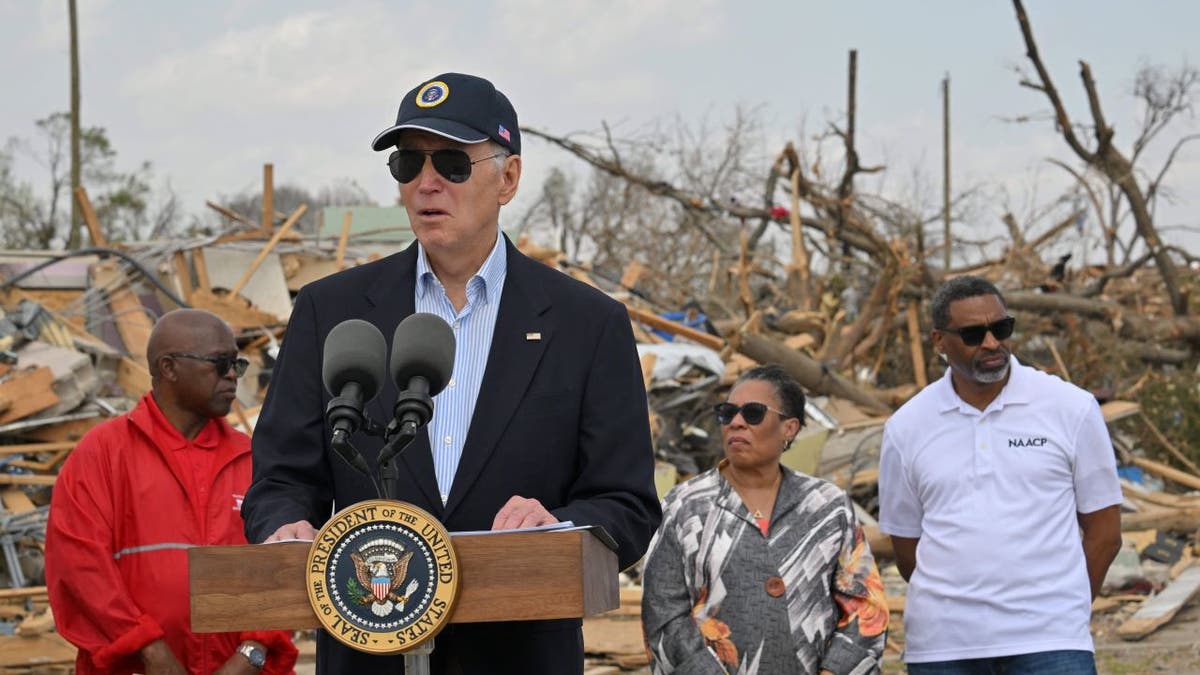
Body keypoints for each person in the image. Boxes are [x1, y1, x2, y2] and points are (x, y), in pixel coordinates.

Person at [240, 72, 661, 674]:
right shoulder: (329, 311)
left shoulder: (586, 324)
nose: (426, 183)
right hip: (368, 652)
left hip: (519, 654)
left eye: (453, 163)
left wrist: (560, 525)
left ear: (507, 178)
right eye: (408, 162)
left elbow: (628, 503)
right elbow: (280, 477)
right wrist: (285, 526)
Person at [878, 276, 1123, 673]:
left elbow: (1106, 532)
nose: (992, 343)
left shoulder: (1070, 408)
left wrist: (1064, 608)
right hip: (944, 647)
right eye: (974, 334)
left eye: (1001, 328)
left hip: (1052, 640)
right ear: (939, 341)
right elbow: (907, 546)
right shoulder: (907, 427)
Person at [45, 309, 297, 675]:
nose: (232, 375)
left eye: (237, 365)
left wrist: (250, 654)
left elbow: (283, 568)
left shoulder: (253, 461)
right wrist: (146, 648)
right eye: (220, 363)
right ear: (168, 368)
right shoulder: (103, 454)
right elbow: (78, 567)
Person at [642, 364, 888, 674]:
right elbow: (662, 611)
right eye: (727, 413)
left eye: (753, 413)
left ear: (789, 428)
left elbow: (865, 606)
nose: (737, 423)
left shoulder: (827, 508)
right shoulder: (685, 507)